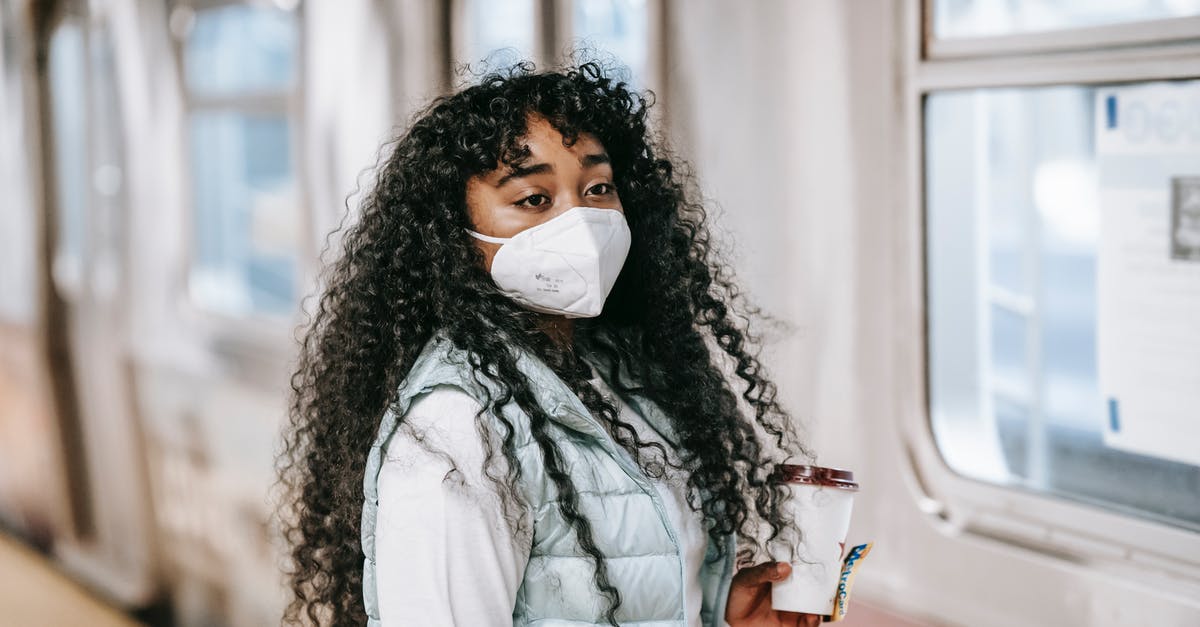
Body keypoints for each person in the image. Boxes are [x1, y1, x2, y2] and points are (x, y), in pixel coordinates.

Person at [277, 60, 819, 627]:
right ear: (452, 233)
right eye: (534, 198)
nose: (581, 221)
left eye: (598, 188)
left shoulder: (621, 374)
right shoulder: (452, 430)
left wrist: (718, 615)